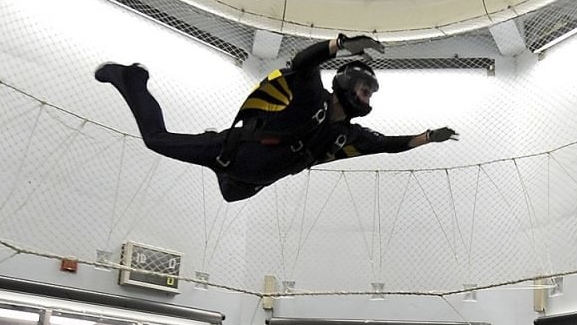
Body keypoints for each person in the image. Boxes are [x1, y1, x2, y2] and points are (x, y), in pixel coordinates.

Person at [94, 34, 458, 202]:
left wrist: (429, 136)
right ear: (346, 85)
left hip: (244, 185)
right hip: (228, 152)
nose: (368, 98)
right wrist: (341, 45)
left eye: (371, 94)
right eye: (365, 90)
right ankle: (132, 79)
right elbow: (303, 62)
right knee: (156, 140)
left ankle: (226, 169)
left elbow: (390, 146)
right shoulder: (312, 95)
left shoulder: (348, 136)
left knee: (230, 197)